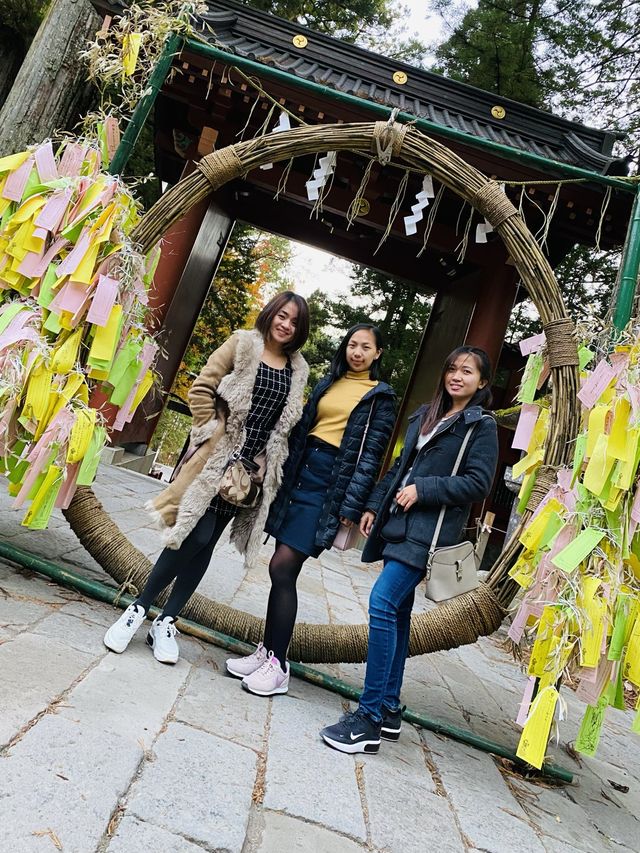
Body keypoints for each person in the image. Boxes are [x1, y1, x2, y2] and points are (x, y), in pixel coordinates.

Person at [103, 291, 310, 664]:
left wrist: (265, 461)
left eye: (294, 321)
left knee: (208, 542)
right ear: (270, 314)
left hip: (246, 474)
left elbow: (283, 427)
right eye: (282, 315)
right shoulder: (242, 344)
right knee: (192, 533)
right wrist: (212, 434)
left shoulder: (299, 371)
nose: (286, 325)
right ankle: (137, 608)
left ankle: (166, 621)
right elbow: (200, 387)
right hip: (213, 458)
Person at [319, 346, 498, 753]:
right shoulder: (426, 415)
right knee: (397, 615)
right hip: (399, 527)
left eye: (467, 371)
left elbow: (478, 483)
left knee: (382, 603)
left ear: (482, 382)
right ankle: (387, 707)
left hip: (430, 534)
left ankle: (367, 719)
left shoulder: (479, 426)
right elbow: (401, 467)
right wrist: (372, 505)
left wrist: (425, 490)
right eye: (452, 368)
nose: (457, 376)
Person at [226, 324, 397, 696]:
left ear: (378, 353)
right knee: (279, 569)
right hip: (302, 473)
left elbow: (371, 456)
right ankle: (268, 652)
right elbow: (302, 429)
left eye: (366, 347)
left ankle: (279, 665)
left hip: (330, 483)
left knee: (283, 566)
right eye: (352, 344)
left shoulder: (380, 397)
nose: (357, 352)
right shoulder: (328, 382)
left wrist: (353, 503)